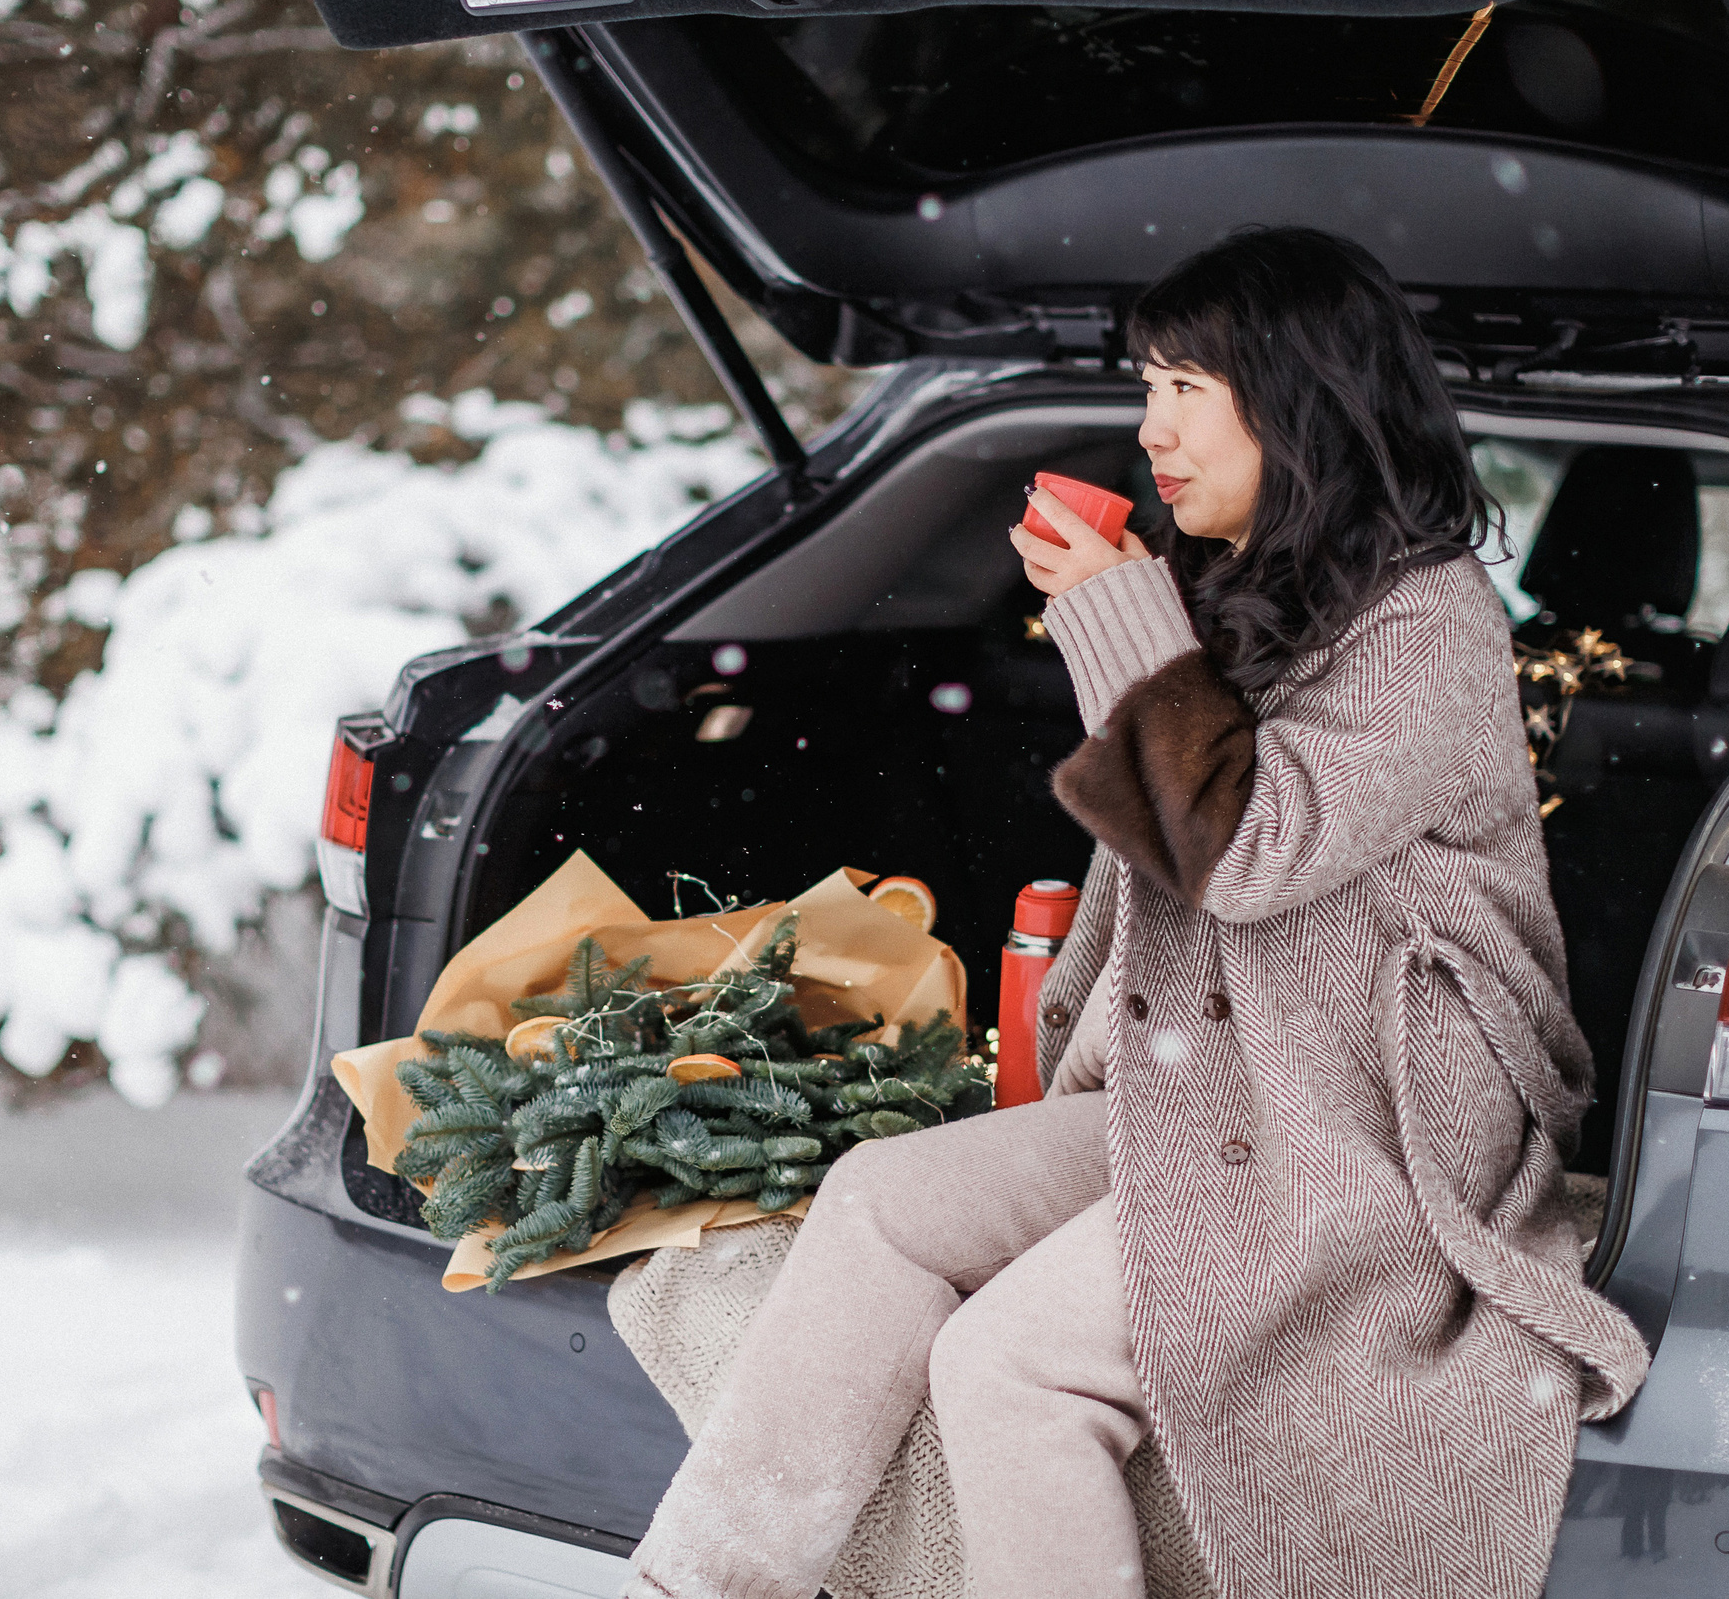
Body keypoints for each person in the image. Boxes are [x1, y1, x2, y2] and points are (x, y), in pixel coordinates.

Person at [619, 226, 1649, 1599]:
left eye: (1183, 390)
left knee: (1011, 1363)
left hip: (1360, 1140)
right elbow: (1164, 853)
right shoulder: (1242, 598)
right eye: (1145, 386)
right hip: (1204, 1101)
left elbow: (1252, 849)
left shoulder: (1428, 620)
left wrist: (1121, 623)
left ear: (1297, 404)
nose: (1148, 429)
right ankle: (695, 1586)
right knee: (877, 1204)